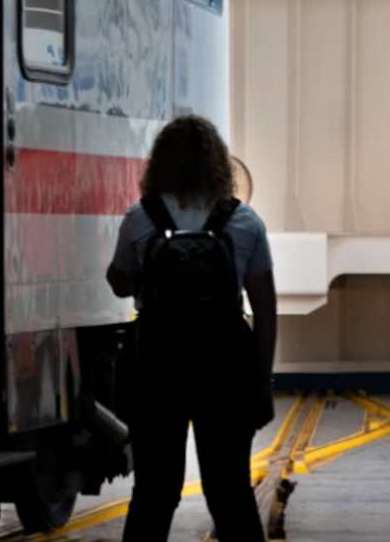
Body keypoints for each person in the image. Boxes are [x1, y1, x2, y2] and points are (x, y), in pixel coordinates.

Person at [107, 115, 278, 542]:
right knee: (230, 492)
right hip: (225, 368)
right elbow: (265, 307)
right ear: (219, 165)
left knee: (154, 492)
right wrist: (262, 381)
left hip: (157, 366)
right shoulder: (244, 221)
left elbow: (119, 282)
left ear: (160, 163)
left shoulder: (140, 217)